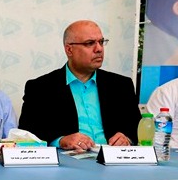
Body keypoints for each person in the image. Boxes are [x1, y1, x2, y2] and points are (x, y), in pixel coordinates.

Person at [18, 20, 141, 150]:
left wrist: (126, 138)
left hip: (113, 157)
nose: (99, 49)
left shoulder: (121, 85)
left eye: (101, 42)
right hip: (68, 159)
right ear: (69, 50)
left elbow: (136, 128)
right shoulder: (40, 88)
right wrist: (61, 141)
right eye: (90, 43)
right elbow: (27, 134)